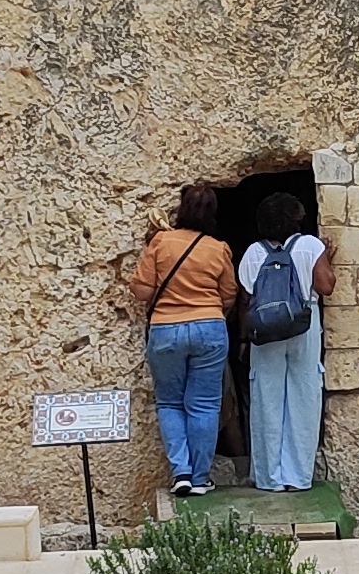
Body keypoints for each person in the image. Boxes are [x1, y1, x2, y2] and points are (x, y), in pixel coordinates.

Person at [119, 185, 238, 496]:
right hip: (209, 328)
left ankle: (181, 473)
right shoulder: (219, 248)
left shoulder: (161, 241)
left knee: (171, 402)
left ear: (181, 209)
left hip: (166, 329)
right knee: (204, 405)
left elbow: (141, 290)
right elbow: (228, 296)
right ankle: (200, 478)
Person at [236, 191, 335, 494]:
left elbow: (245, 299)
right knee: (304, 396)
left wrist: (243, 338)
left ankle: (268, 477)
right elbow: (326, 286)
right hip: (303, 325)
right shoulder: (309, 245)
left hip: (265, 332)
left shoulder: (253, 252)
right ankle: (298, 476)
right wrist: (327, 260)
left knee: (267, 399)